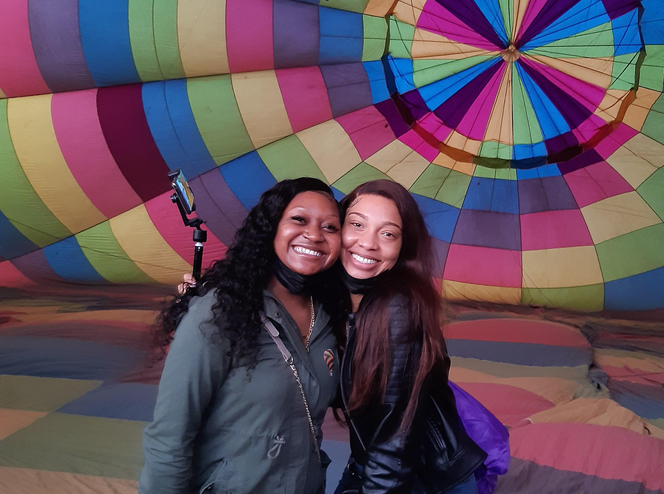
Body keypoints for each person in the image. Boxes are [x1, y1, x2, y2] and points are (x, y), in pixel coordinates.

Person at [139, 177, 348, 494]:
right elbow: (170, 438)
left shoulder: (330, 318)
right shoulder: (218, 313)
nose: (315, 235)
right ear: (271, 227)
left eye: (330, 227)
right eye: (299, 219)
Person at [334, 179, 487, 494]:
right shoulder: (341, 301)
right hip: (370, 463)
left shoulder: (399, 310)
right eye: (357, 224)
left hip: (422, 480)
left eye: (387, 233)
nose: (368, 243)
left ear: (403, 247)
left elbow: (396, 439)